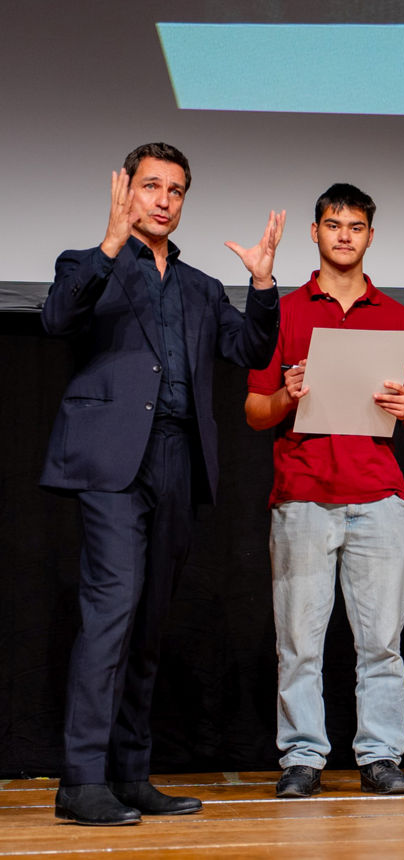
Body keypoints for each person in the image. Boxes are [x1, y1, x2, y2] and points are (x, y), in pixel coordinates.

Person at [41, 142, 283, 825]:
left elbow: (252, 351)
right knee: (111, 612)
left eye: (176, 190)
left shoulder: (202, 286)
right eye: (152, 186)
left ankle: (130, 772)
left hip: (179, 458)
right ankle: (81, 779)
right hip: (113, 462)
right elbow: (56, 320)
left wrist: (263, 288)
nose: (165, 200)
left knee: (149, 624)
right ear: (126, 191)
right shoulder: (90, 266)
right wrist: (110, 245)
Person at [244, 183, 404, 798]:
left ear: (370, 236)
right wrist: (287, 396)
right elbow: (254, 409)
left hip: (379, 496)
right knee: (299, 641)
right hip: (302, 494)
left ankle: (379, 755)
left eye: (355, 225)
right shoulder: (286, 311)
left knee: (382, 642)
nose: (344, 234)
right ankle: (302, 756)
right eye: (333, 224)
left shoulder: (398, 319)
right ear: (315, 232)